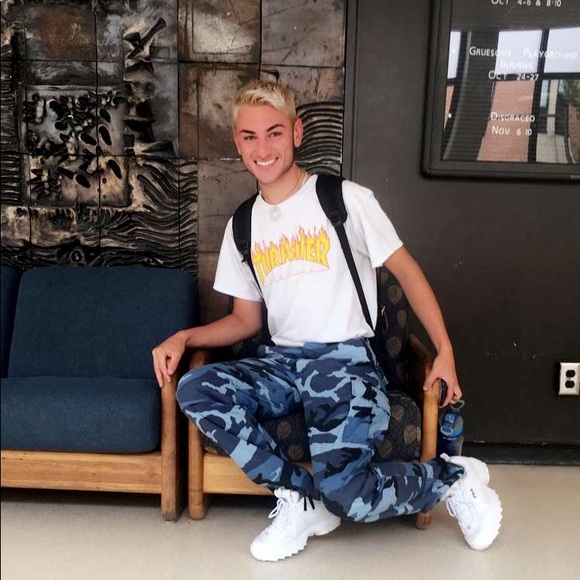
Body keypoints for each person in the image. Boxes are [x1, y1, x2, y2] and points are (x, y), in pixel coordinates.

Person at [152, 79, 502, 562]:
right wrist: (184, 336)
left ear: (296, 133)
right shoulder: (243, 224)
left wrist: (445, 350)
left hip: (345, 362)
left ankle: (456, 478)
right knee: (196, 388)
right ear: (237, 142)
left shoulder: (343, 200)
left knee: (348, 496)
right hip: (281, 363)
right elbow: (244, 320)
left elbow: (408, 273)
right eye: (250, 136)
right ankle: (299, 499)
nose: (263, 148)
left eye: (274, 133)